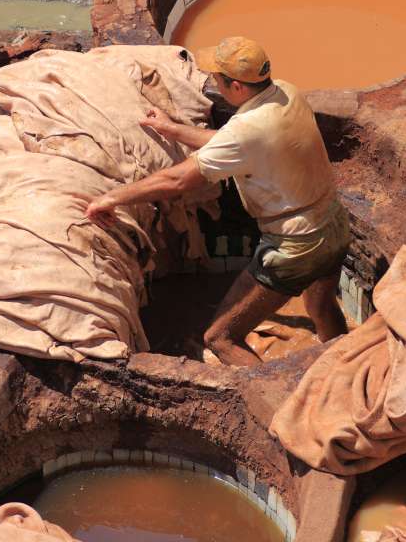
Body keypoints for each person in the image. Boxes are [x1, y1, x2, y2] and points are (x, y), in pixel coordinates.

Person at [85, 37, 350, 366]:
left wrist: (113, 197)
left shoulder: (247, 129)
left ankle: (277, 402)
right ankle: (346, 368)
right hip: (334, 224)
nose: (213, 83)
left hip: (296, 245)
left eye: (217, 79)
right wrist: (173, 129)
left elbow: (178, 179)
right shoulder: (285, 92)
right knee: (321, 308)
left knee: (220, 337)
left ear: (236, 86)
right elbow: (233, 143)